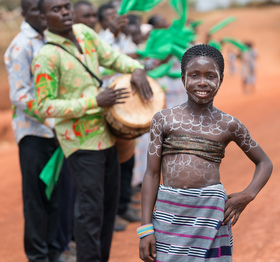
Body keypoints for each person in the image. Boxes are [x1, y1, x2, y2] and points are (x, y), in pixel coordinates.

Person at [34, 1, 153, 262]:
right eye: (56, 9)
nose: (64, 11)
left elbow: (112, 57)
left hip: (107, 134)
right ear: (43, 18)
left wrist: (136, 69)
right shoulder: (46, 56)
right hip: (80, 142)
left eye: (66, 6)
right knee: (90, 211)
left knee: (108, 210)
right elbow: (44, 105)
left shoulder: (85, 34)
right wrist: (94, 102)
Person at [138, 44, 272, 262]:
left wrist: (247, 195)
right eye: (194, 75)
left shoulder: (229, 125)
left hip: (211, 212)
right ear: (183, 78)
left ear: (221, 79)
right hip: (169, 212)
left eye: (211, 76)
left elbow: (264, 163)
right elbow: (152, 174)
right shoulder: (163, 119)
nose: (202, 82)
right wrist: (145, 227)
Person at [4, 0, 63, 261]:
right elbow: (19, 96)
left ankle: (53, 250)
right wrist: (52, 119)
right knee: (36, 198)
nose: (42, 14)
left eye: (44, 9)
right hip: (34, 134)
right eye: (35, 10)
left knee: (56, 196)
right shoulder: (21, 45)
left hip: (54, 131)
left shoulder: (47, 40)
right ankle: (37, 256)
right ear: (23, 13)